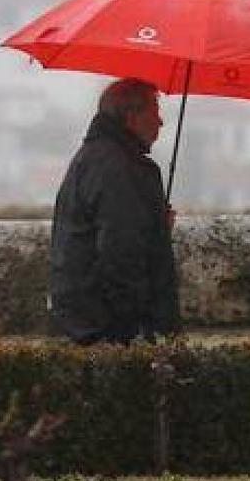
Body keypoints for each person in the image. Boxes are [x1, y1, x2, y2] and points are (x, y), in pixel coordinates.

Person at [49, 77, 180, 344]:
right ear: (131, 117)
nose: (161, 122)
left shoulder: (93, 158)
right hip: (110, 327)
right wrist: (136, 327)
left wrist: (154, 225)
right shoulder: (120, 169)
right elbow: (121, 248)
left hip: (83, 319)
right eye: (154, 113)